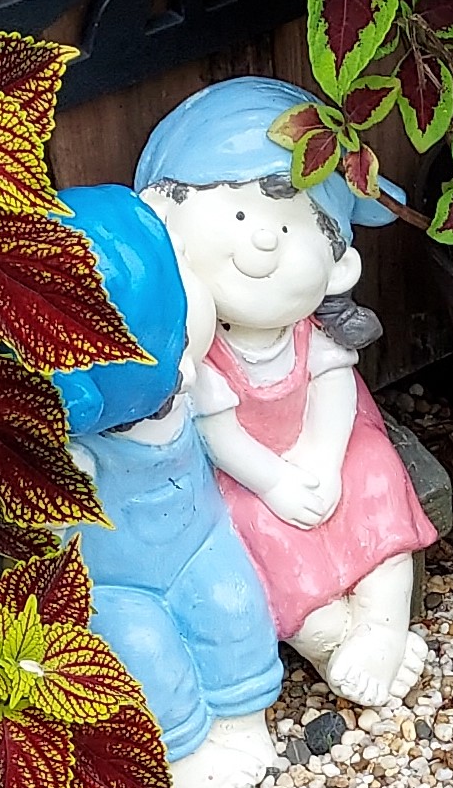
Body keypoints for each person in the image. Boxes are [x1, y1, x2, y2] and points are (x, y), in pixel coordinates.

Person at [135, 77, 437, 707]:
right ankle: (333, 641)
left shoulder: (310, 333)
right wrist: (274, 481)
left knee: (375, 475)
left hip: (327, 444)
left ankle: (383, 625)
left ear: (340, 265)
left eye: (291, 225)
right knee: (252, 530)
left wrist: (324, 459)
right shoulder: (202, 352)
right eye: (240, 214)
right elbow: (218, 431)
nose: (263, 239)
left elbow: (335, 390)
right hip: (246, 472)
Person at [53, 185, 284, 788]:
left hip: (202, 542)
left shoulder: (188, 384)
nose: (183, 368)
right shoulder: (77, 450)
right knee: (141, 649)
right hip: (116, 583)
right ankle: (178, 757)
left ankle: (241, 718)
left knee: (234, 605)